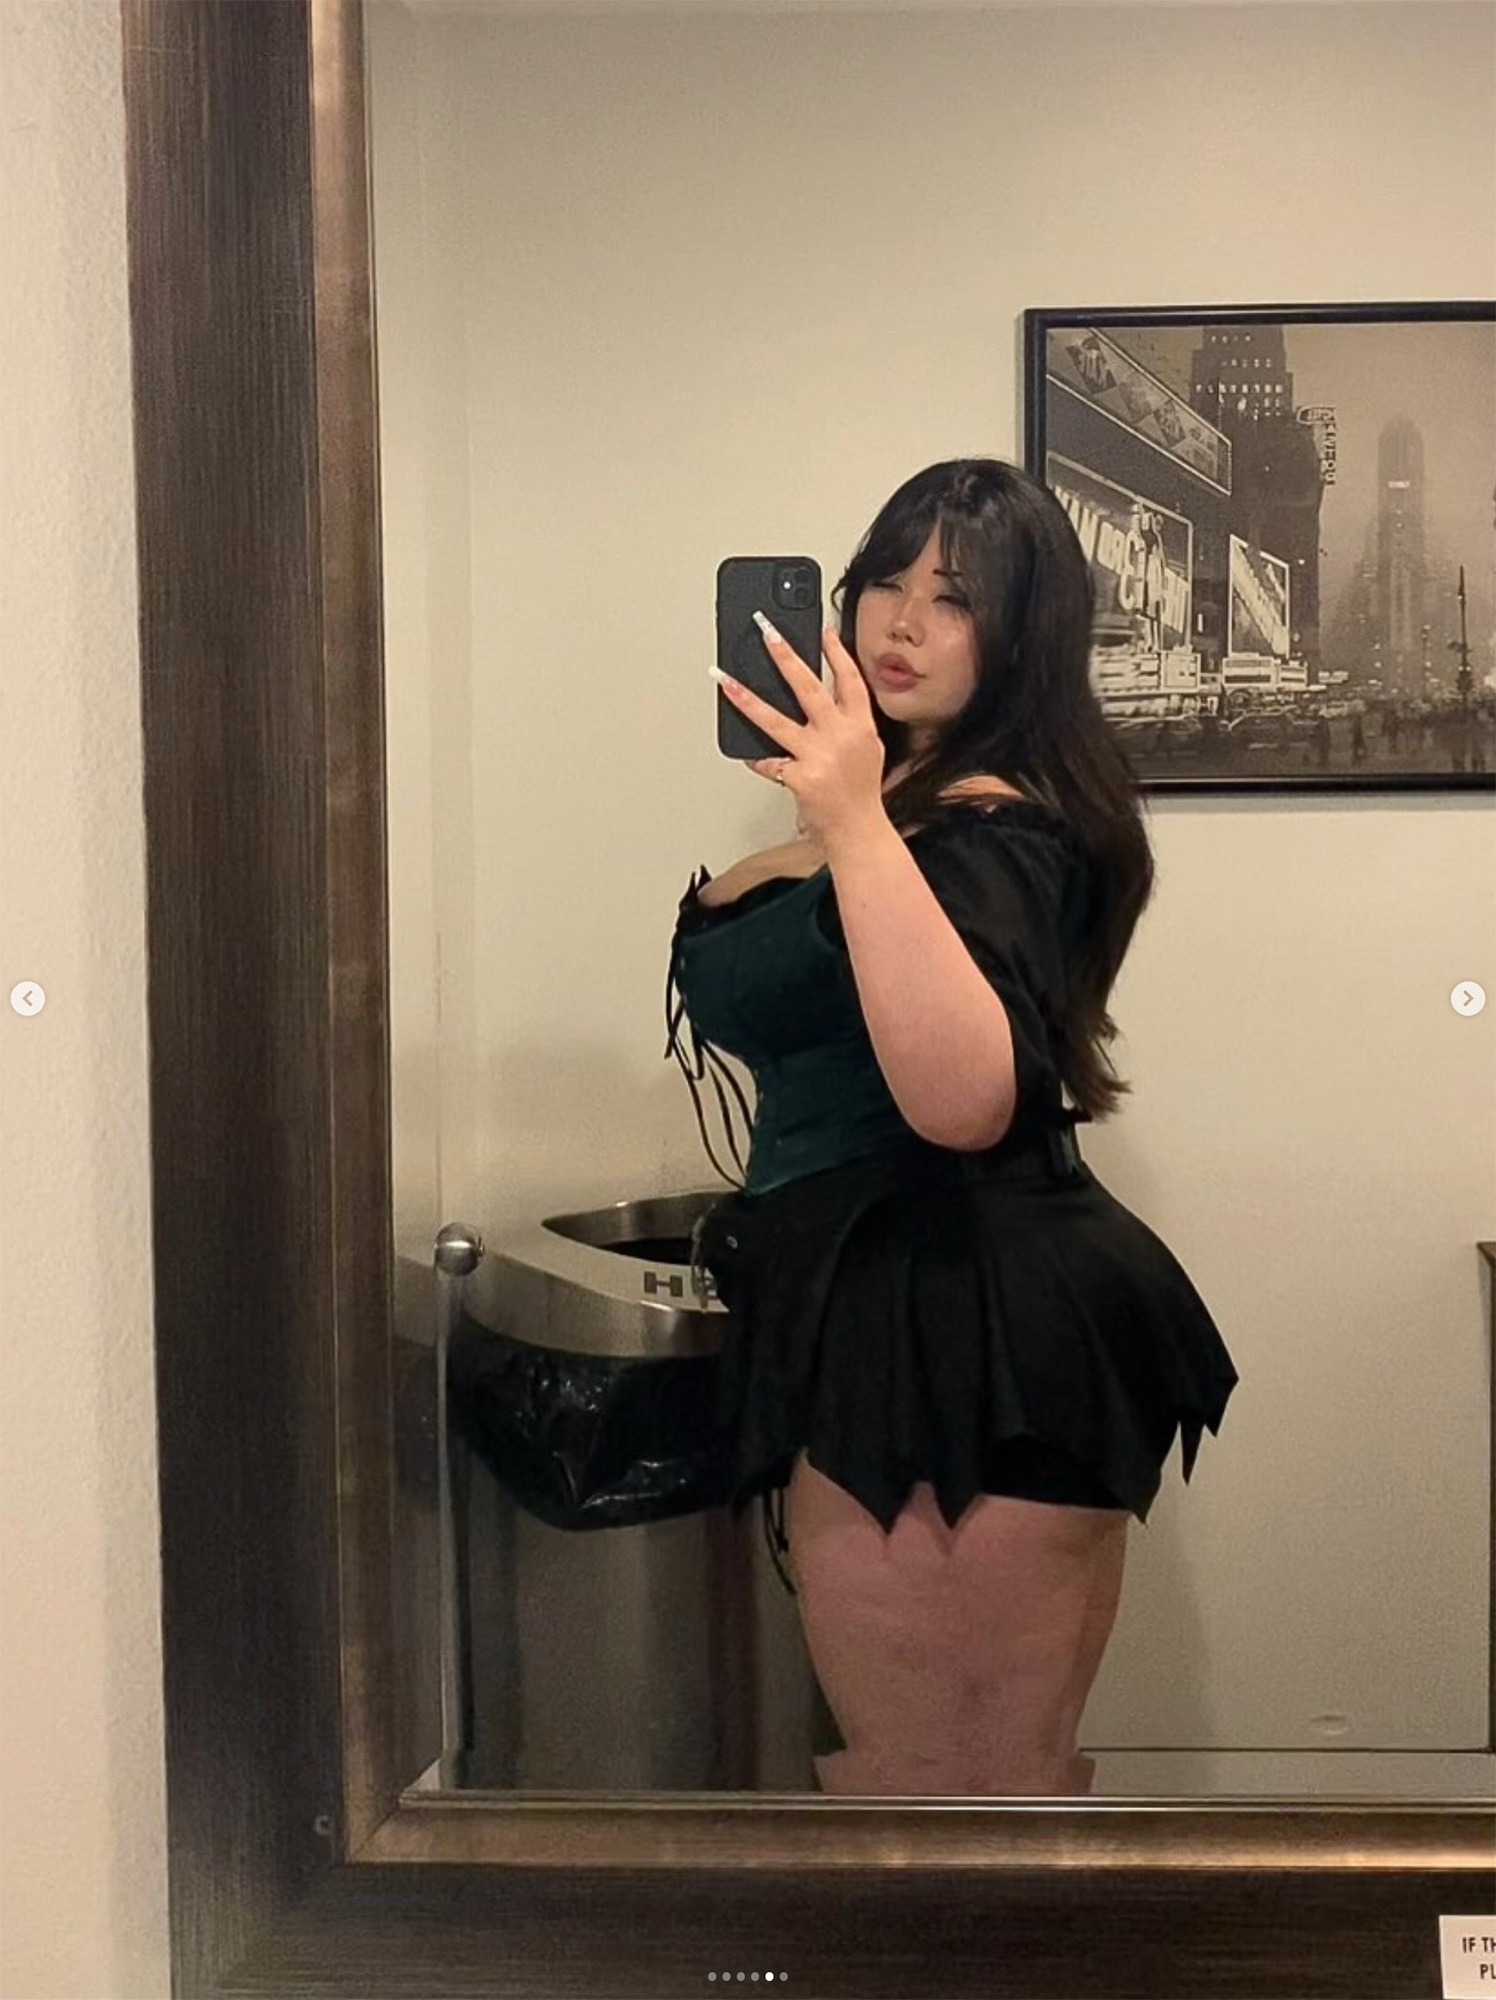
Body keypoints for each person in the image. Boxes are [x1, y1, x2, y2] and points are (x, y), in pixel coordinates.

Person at [665, 459, 1239, 1799]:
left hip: (964, 1334)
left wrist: (853, 825)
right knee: (927, 1796)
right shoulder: (904, 812)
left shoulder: (997, 832)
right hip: (891, 1314)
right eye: (885, 581)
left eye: (958, 598)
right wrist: (851, 819)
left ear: (1026, 633)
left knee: (952, 1798)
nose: (902, 622)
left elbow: (966, 1101)